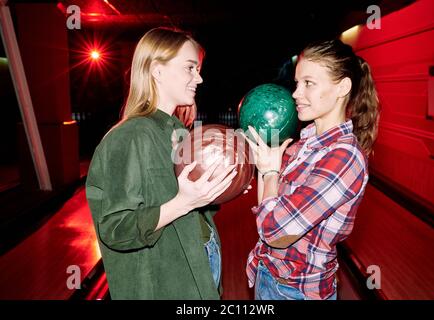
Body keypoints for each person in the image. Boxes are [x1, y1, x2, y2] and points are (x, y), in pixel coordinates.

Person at [85, 27, 237, 299]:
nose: (199, 78)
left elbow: (179, 203)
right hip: (165, 284)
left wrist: (222, 187)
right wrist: (183, 202)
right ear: (157, 70)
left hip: (199, 265)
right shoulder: (130, 136)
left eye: (198, 69)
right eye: (190, 68)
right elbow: (115, 229)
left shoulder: (174, 131)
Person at [244, 39, 379, 300]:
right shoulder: (302, 144)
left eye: (308, 83)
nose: (295, 93)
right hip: (268, 275)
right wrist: (265, 168)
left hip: (298, 292)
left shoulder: (344, 158)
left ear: (343, 88)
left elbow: (275, 232)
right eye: (297, 83)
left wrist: (271, 173)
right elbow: (266, 213)